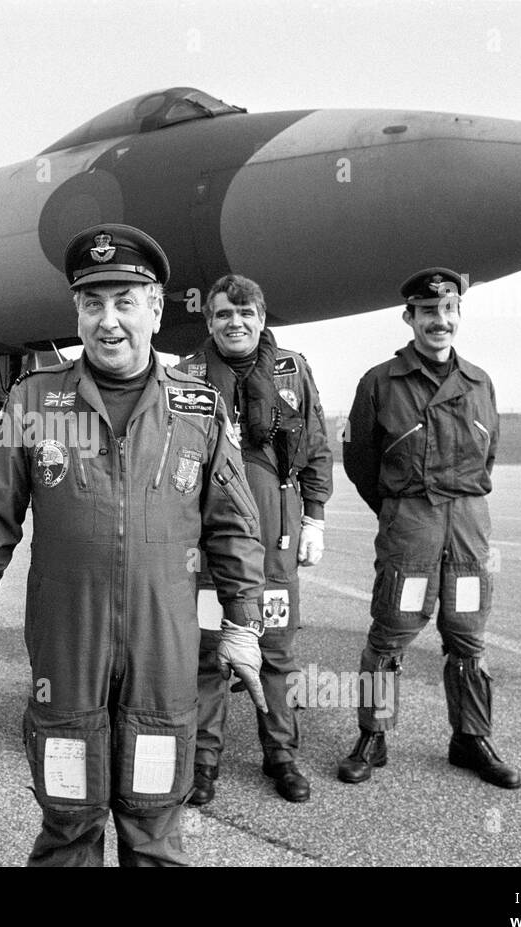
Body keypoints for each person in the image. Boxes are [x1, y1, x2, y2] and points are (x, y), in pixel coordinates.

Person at [0, 224, 268, 866]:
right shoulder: (36, 400)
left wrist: (243, 623)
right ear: (77, 312)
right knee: (69, 818)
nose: (108, 321)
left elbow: (233, 524)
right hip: (68, 646)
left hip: (163, 648)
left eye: (125, 301)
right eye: (93, 304)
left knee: (153, 827)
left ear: (155, 308)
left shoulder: (198, 406)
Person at [339, 267, 520, 789]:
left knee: (468, 636)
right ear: (409, 318)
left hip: (466, 527)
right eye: (427, 312)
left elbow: (488, 457)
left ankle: (470, 737)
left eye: (448, 311)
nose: (439, 321)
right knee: (391, 632)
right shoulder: (380, 381)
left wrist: (460, 502)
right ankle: (373, 737)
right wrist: (398, 511)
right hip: (412, 525)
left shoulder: (480, 382)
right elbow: (360, 461)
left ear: (458, 315)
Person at [177, 274, 332, 804]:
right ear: (209, 321)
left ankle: (281, 756)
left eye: (245, 314)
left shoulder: (293, 370)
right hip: (207, 547)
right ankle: (202, 762)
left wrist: (315, 517)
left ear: (262, 319)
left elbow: (315, 446)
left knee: (276, 653)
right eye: (223, 314)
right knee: (208, 655)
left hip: (276, 538)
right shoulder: (185, 377)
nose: (234, 323)